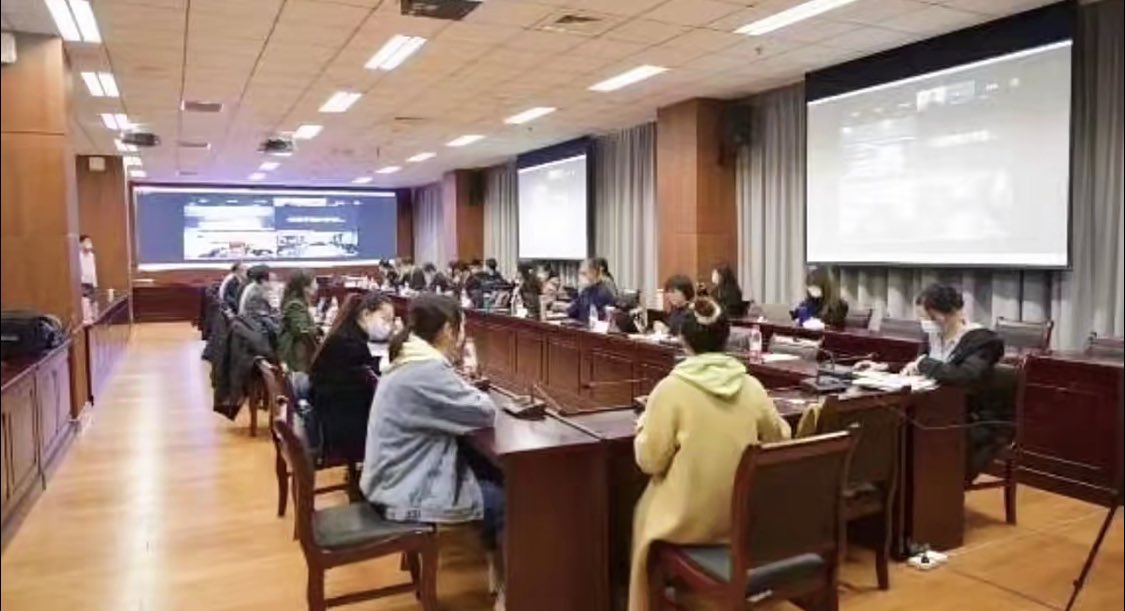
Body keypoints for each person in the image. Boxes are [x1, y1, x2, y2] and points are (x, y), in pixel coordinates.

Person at [628, 297, 791, 611]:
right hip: (742, 518)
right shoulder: (751, 385)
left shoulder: (670, 389)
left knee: (641, 513)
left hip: (685, 520)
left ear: (683, 339)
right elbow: (781, 438)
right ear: (726, 338)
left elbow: (649, 461)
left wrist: (643, 426)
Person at [360, 294, 504, 606]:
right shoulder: (426, 369)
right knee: (506, 499)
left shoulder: (408, 357)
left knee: (484, 467)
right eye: (461, 329)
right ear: (449, 330)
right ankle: (512, 588)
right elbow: (484, 411)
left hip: (390, 476)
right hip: (403, 489)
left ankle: (499, 571)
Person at [901, 284, 1006, 483]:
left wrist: (924, 364)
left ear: (946, 314)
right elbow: (919, 366)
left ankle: (934, 492)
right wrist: (885, 367)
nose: (926, 324)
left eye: (929, 318)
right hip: (934, 409)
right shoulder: (933, 335)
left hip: (971, 418)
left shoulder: (983, 341)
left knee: (921, 436)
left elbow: (966, 376)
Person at [309, 292, 395, 462]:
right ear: (366, 314)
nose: (389, 326)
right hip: (339, 419)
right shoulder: (348, 343)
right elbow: (363, 382)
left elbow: (360, 373)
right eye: (385, 319)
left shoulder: (347, 334)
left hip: (331, 406)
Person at [277, 271, 319, 373]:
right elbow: (301, 330)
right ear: (305, 287)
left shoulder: (298, 303)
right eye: (314, 282)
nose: (317, 286)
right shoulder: (295, 305)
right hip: (297, 356)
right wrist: (318, 330)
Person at [567, 258, 616, 322]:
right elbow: (572, 310)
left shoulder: (603, 292)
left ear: (593, 272)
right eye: (580, 273)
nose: (580, 277)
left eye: (584, 273)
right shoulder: (586, 290)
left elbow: (592, 317)